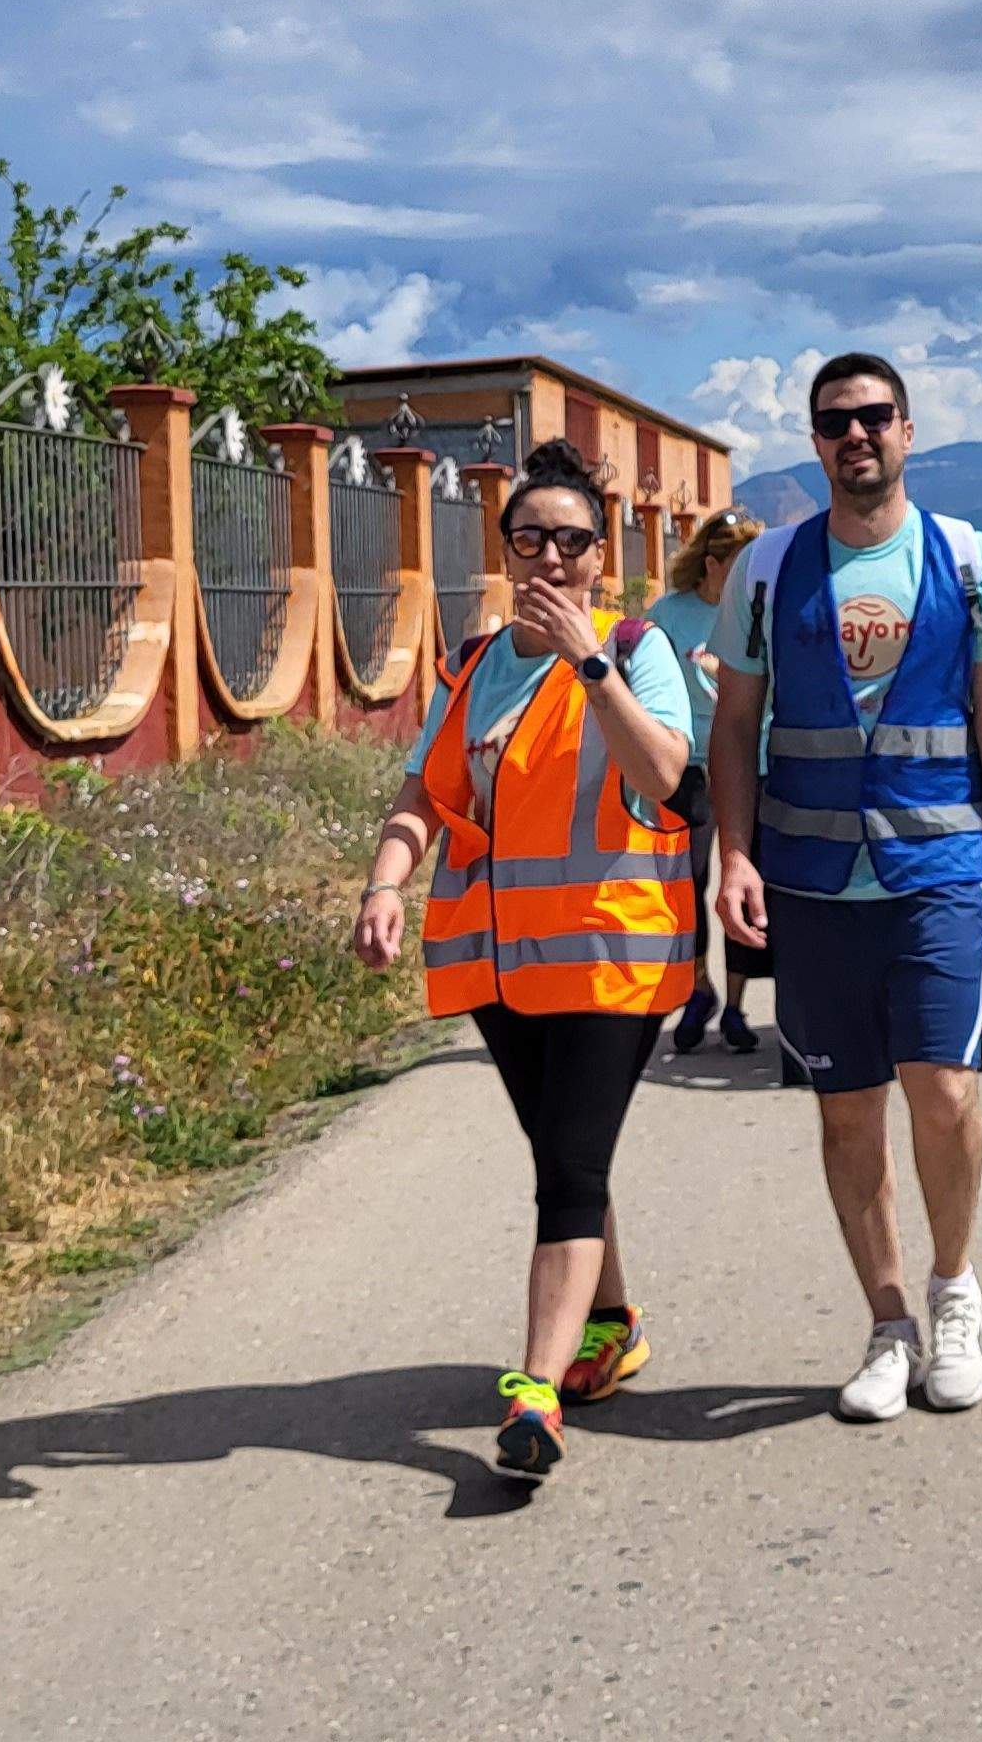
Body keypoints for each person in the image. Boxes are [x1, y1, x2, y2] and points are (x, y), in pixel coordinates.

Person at [352, 438, 698, 1484]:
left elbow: (668, 775)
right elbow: (422, 795)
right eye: (529, 538)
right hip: (504, 969)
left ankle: (536, 1392)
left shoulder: (636, 650)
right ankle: (611, 1325)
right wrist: (382, 884)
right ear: (506, 549)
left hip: (610, 959)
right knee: (564, 1154)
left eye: (571, 540)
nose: (549, 557)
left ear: (603, 555)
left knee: (570, 1168)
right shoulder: (468, 665)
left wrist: (588, 665)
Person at [707, 353, 982, 1423]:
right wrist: (733, 854)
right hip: (811, 883)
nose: (855, 436)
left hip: (939, 870)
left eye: (873, 417)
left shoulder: (971, 560)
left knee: (941, 1091)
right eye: (834, 422)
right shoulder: (765, 568)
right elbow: (731, 727)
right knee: (847, 1111)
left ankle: (953, 1292)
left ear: (908, 429)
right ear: (814, 441)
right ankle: (888, 1323)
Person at [644, 511, 769, 1060]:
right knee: (686, 888)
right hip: (688, 767)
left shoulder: (759, 612)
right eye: (736, 570)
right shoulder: (669, 617)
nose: (746, 581)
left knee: (747, 887)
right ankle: (699, 989)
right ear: (711, 565)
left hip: (752, 763)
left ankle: (739, 1006)